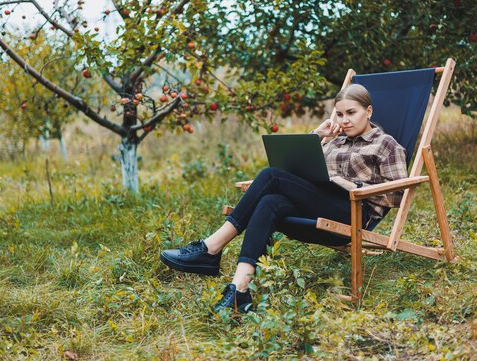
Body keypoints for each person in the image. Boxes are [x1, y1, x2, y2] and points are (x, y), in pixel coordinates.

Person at [160, 84, 408, 313]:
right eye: (339, 114)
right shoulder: (334, 141)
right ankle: (239, 290)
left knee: (271, 176)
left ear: (369, 111)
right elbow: (299, 170)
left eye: (351, 113)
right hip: (320, 210)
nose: (344, 120)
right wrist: (316, 137)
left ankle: (210, 248)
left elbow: (398, 193)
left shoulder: (386, 144)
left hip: (353, 214)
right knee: (270, 202)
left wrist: (350, 185)